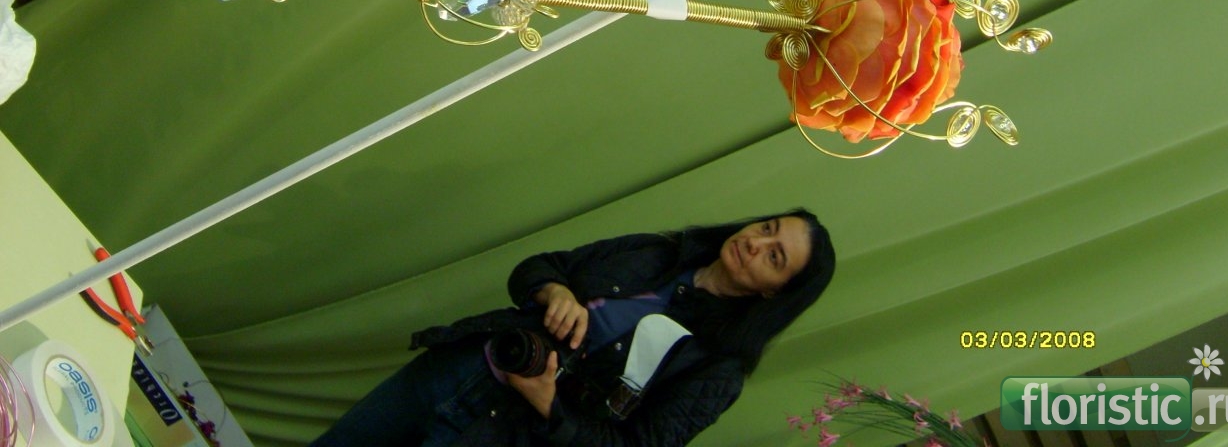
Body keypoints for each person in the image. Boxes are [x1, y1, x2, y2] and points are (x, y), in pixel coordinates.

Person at [312, 210, 836, 447]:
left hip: (497, 434)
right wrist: (555, 291)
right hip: (456, 368)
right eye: (767, 228)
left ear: (775, 293)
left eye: (774, 256)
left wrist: (549, 405)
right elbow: (540, 266)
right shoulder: (657, 251)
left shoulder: (717, 370)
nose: (755, 243)